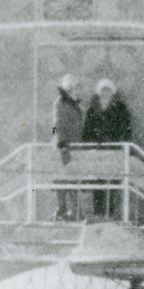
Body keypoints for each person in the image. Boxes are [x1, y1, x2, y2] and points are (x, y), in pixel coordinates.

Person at [81, 78, 133, 217]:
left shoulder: (120, 108)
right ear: (99, 92)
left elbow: (126, 128)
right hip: (98, 151)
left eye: (108, 90)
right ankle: (98, 213)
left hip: (113, 150)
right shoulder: (93, 109)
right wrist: (89, 144)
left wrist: (121, 144)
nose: (106, 93)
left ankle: (109, 213)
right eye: (103, 90)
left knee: (112, 181)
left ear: (112, 92)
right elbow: (87, 129)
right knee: (98, 182)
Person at [52, 75, 84, 221]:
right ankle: (63, 210)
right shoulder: (62, 104)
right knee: (64, 180)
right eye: (76, 87)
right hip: (64, 148)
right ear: (69, 89)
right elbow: (59, 125)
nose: (79, 91)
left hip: (73, 147)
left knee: (72, 181)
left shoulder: (74, 104)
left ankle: (74, 211)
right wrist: (62, 145)